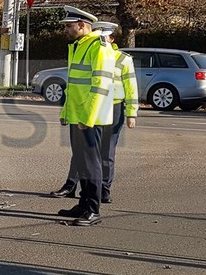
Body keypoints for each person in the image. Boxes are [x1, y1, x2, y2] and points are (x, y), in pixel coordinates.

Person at [47, 22, 138, 203]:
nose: (101, 38)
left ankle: (103, 190)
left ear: (112, 39)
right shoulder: (90, 51)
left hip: (113, 107)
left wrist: (131, 113)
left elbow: (131, 87)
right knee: (83, 152)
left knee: (106, 152)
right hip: (91, 106)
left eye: (105, 35)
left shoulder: (122, 59)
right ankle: (72, 185)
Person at [56, 6, 116, 227]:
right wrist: (66, 113)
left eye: (69, 26)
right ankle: (83, 204)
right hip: (78, 116)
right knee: (82, 162)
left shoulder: (99, 46)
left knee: (91, 164)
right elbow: (73, 86)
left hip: (91, 118)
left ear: (82, 25)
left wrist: (88, 118)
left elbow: (101, 85)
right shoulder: (80, 46)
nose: (66, 30)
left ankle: (92, 209)